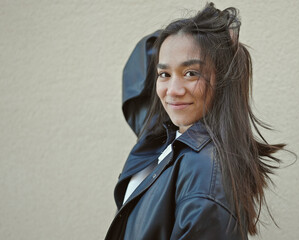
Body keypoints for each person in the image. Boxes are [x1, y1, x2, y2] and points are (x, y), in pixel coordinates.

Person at [105, 2, 285, 239]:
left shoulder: (204, 173)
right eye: (164, 74)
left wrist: (216, 45)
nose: (173, 91)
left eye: (191, 73)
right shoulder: (164, 137)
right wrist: (198, 31)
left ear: (222, 80)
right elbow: (139, 69)